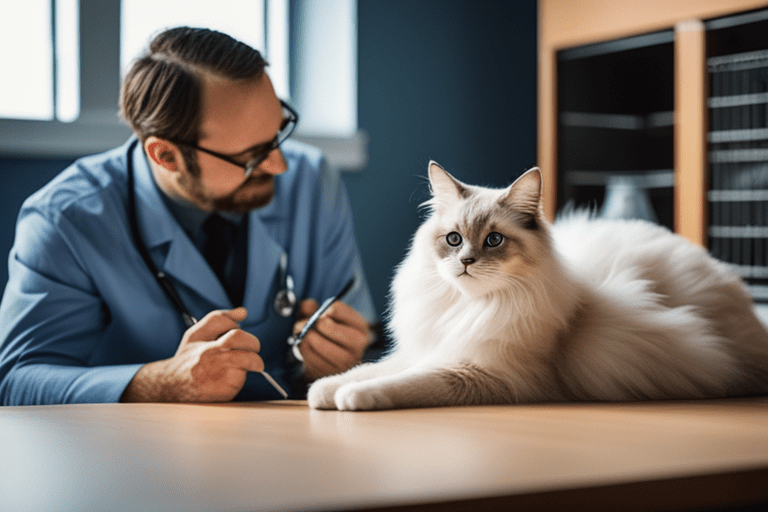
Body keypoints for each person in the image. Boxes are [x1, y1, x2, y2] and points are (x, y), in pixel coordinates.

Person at [0, 27, 377, 405]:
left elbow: (356, 340)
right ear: (166, 156)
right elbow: (17, 382)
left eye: (280, 132)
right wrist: (160, 381)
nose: (279, 165)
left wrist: (335, 359)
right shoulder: (65, 219)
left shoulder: (311, 179)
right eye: (252, 155)